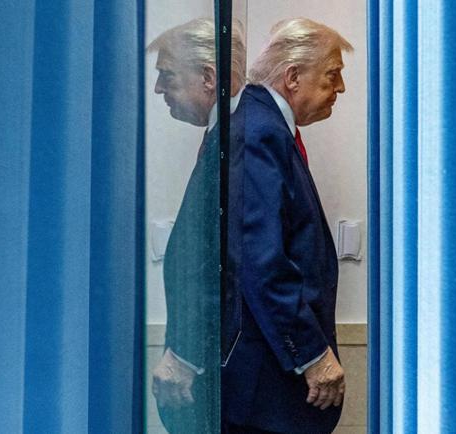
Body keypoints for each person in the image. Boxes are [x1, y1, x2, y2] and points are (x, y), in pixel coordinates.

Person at [221, 18, 353, 434]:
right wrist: (312, 354)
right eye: (333, 74)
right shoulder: (259, 132)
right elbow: (259, 260)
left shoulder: (265, 126)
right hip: (267, 389)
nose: (341, 88)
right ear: (293, 76)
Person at [146, 18, 246, 433]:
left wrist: (185, 353)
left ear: (208, 77)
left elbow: (228, 262)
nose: (158, 89)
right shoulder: (224, 136)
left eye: (166, 75)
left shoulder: (241, 140)